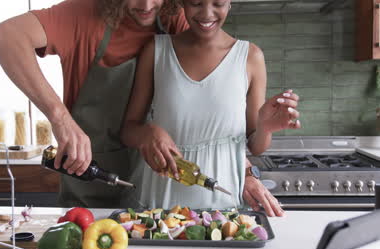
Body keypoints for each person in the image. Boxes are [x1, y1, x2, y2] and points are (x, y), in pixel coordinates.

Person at [0, 0, 189, 208]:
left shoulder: (173, 17)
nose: (147, 5)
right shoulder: (83, 14)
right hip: (89, 188)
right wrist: (60, 119)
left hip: (156, 191)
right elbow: (5, 36)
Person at [121, 0, 300, 216]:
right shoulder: (157, 50)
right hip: (159, 203)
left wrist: (265, 128)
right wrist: (147, 132)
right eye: (196, 3)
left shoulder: (250, 57)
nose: (207, 14)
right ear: (182, 4)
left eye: (218, 3)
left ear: (230, 3)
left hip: (223, 205)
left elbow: (256, 146)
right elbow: (127, 131)